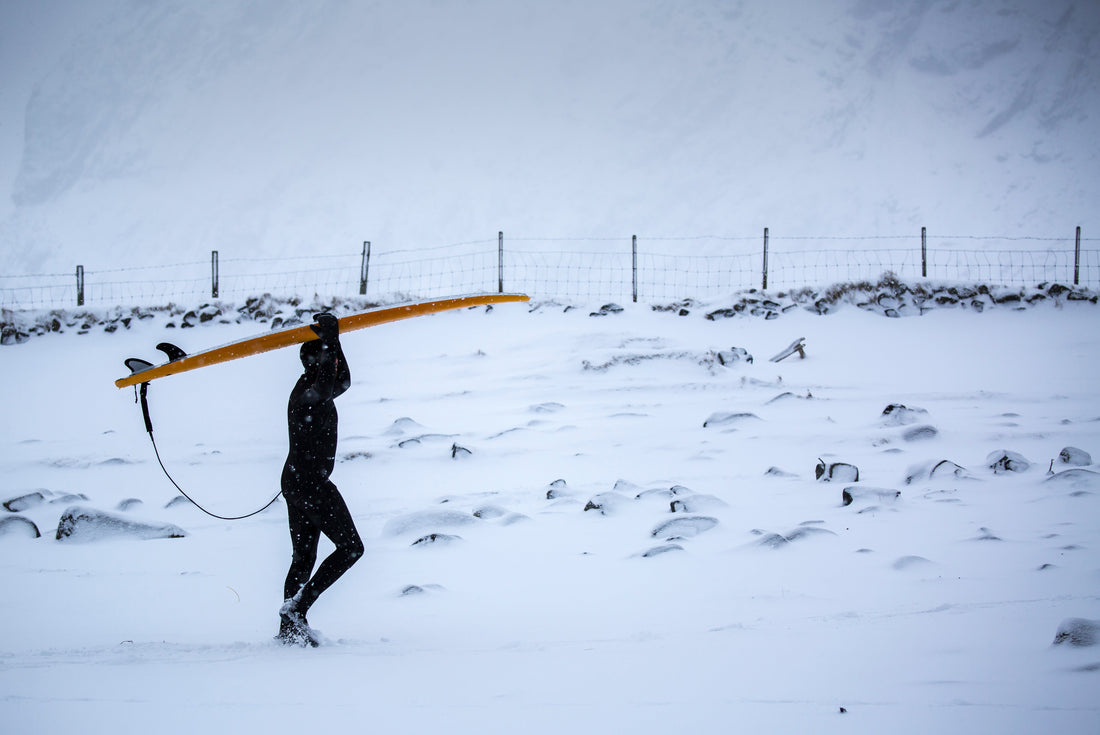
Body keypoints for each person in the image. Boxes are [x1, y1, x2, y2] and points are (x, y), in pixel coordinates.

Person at [276, 312, 364, 647]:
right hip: (309, 483)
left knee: (303, 558)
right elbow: (330, 382)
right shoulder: (307, 396)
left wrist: (335, 342)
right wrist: (329, 340)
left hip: (297, 481)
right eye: (329, 359)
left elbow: (343, 381)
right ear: (317, 362)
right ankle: (297, 609)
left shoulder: (312, 386)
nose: (336, 367)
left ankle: (289, 630)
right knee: (351, 548)